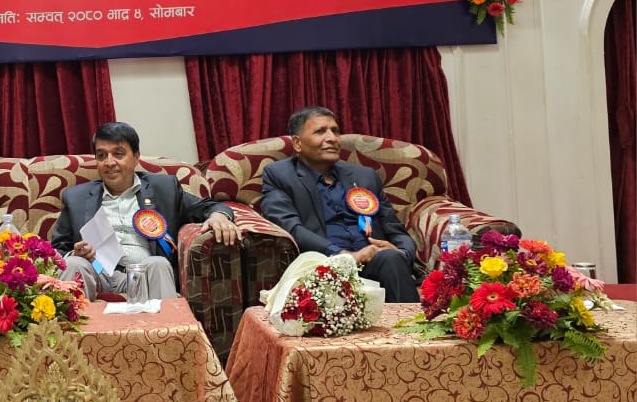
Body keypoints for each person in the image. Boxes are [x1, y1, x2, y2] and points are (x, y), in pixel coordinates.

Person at [51, 122, 238, 301]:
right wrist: (75, 254)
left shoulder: (164, 189)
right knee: (73, 264)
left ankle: (168, 324)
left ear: (136, 157)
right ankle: (69, 324)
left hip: (144, 273)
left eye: (118, 154)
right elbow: (58, 249)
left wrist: (219, 216)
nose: (109, 162)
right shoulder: (76, 197)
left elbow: (208, 206)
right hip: (97, 271)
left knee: (158, 263)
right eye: (101, 155)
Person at [260, 106, 419, 303]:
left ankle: (412, 322)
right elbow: (291, 227)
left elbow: (395, 229)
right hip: (326, 262)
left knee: (391, 258)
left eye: (335, 131)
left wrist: (402, 253)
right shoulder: (280, 175)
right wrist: (344, 256)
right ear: (298, 143)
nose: (332, 138)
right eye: (320, 131)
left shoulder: (365, 176)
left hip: (377, 260)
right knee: (389, 261)